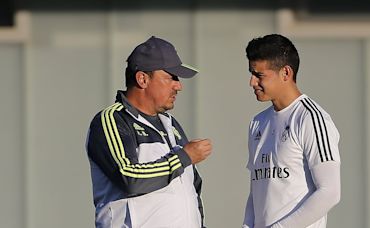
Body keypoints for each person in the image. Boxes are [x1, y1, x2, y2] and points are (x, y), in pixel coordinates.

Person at [86, 36, 212, 228]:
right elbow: (129, 177)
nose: (179, 86)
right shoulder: (112, 120)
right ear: (142, 79)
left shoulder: (172, 125)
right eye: (171, 77)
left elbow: (192, 189)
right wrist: (183, 157)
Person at [242, 34, 341, 228]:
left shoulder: (311, 118)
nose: (252, 82)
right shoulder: (257, 123)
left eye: (259, 75)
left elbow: (330, 192)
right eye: (251, 74)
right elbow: (257, 190)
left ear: (286, 73)